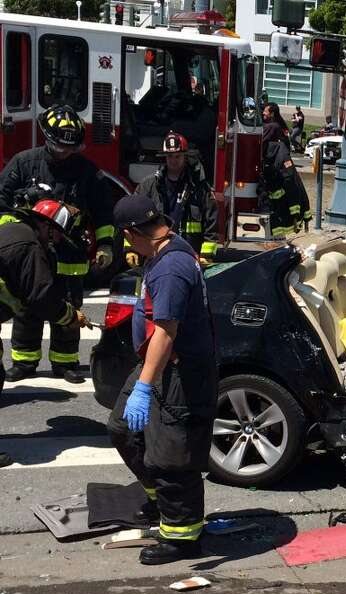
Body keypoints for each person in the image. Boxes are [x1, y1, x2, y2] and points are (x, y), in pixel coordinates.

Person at [106, 194, 217, 565]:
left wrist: (144, 385)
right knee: (123, 428)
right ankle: (158, 500)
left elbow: (167, 331)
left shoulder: (171, 268)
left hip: (177, 371)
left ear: (131, 233)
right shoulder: (166, 252)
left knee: (170, 454)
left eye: (127, 240)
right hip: (158, 363)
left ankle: (182, 537)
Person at [0, 105, 114, 384]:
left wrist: (106, 245)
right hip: (31, 248)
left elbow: (103, 212)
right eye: (59, 146)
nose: (65, 152)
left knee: (67, 304)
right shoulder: (23, 163)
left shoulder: (88, 172)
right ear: (46, 138)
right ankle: (24, 361)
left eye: (70, 148)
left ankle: (65, 362)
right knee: (28, 304)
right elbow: (1, 203)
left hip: (69, 251)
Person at [0, 203, 88, 467]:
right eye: (59, 233)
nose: (59, 240)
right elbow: (42, 296)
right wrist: (70, 316)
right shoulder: (30, 247)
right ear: (47, 226)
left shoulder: (11, 228)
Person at [133, 132, 218, 265]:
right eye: (170, 156)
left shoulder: (199, 188)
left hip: (189, 255)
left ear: (185, 157)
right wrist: (132, 250)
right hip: (156, 254)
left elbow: (211, 223)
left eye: (178, 156)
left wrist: (207, 254)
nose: (174, 160)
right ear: (165, 158)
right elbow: (134, 217)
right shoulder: (149, 186)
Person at [262, 104, 312, 238]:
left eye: (265, 112)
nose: (263, 113)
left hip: (276, 169)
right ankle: (278, 236)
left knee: (277, 205)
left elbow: (261, 144)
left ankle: (276, 236)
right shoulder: (279, 125)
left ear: (272, 113)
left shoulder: (272, 127)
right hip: (281, 168)